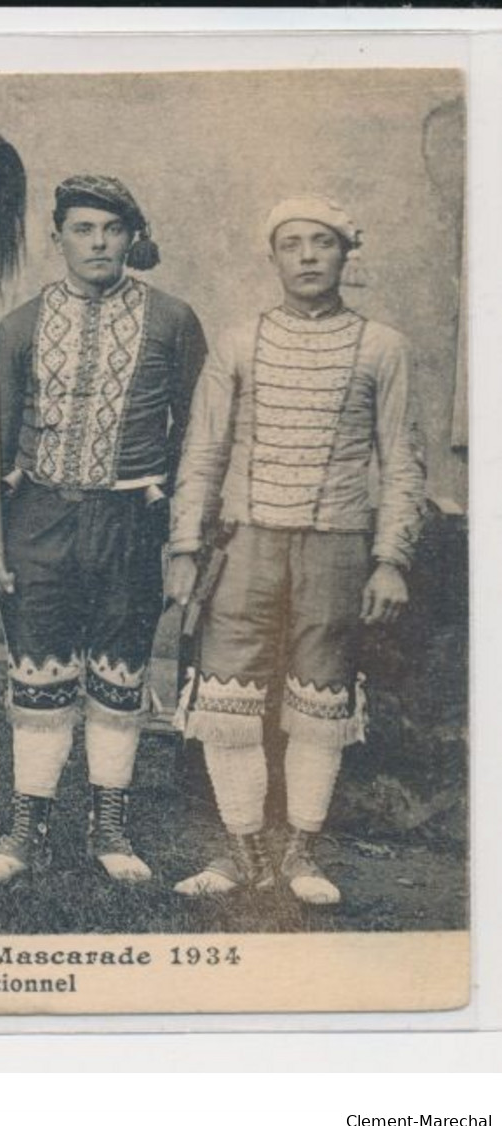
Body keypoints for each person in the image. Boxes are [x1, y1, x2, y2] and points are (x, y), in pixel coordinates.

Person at [168, 195, 424, 905]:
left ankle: (301, 853)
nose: (307, 256)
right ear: (273, 256)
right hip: (244, 540)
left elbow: (401, 461)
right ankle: (240, 848)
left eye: (322, 243)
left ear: (345, 253)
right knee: (226, 694)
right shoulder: (238, 340)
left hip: (337, 545)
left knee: (320, 694)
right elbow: (203, 450)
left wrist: (389, 558)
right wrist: (185, 546)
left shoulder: (382, 347)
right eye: (291, 244)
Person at [0, 174, 207, 885]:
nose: (97, 243)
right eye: (82, 229)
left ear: (131, 237)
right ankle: (25, 828)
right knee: (38, 671)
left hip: (131, 521)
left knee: (118, 672)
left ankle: (110, 826)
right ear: (57, 237)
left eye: (110, 230)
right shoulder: (20, 324)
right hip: (38, 519)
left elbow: (199, 439)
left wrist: (185, 539)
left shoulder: (172, 320)